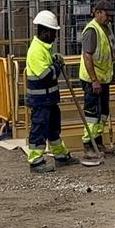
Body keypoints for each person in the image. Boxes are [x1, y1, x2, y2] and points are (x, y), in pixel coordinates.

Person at [24, 10, 74, 174]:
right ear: (45, 31)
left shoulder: (44, 48)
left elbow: (48, 68)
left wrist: (54, 60)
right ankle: (35, 161)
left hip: (49, 99)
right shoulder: (36, 50)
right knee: (39, 128)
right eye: (53, 32)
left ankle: (61, 156)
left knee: (53, 129)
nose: (54, 36)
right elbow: (47, 76)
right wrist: (57, 65)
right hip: (40, 101)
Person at [78, 0, 115, 166]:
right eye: (108, 15)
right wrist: (94, 80)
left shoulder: (105, 28)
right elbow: (88, 56)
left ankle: (98, 142)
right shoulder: (92, 30)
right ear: (98, 12)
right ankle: (88, 145)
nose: (110, 19)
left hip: (103, 78)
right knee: (92, 114)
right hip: (92, 80)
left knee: (102, 112)